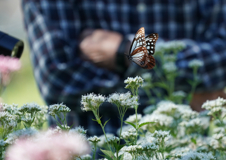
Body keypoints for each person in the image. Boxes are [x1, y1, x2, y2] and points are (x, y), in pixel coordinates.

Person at [22, 0, 226, 136]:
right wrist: (180, 94)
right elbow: (59, 80)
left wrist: (125, 51)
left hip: (187, 146)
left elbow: (222, 56)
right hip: (92, 150)